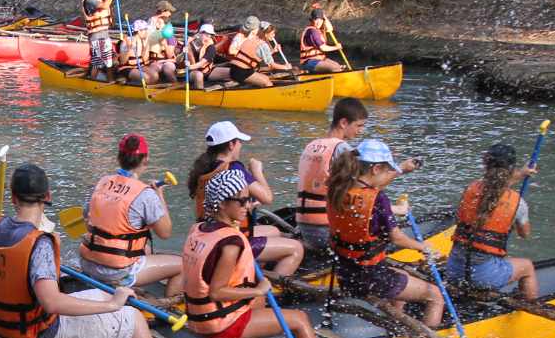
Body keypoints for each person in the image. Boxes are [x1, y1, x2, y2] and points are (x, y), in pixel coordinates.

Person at [0, 164, 162, 338]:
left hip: (5, 334)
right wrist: (112, 305)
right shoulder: (39, 243)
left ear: (13, 197)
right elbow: (51, 303)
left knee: (103, 294)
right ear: (47, 196)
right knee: (133, 317)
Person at [182, 167, 321, 338]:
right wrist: (258, 290)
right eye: (242, 201)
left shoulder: (198, 229)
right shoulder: (231, 243)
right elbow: (217, 292)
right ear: (222, 204)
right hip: (219, 324)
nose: (247, 206)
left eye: (249, 200)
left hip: (197, 315)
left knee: (259, 301)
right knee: (300, 319)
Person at [325, 139, 445, 326]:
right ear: (376, 169)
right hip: (370, 276)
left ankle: (395, 329)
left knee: (403, 279)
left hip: (345, 272)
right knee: (435, 295)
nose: (390, 173)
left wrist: (400, 170)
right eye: (388, 169)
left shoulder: (338, 188)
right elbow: (397, 238)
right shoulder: (378, 199)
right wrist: (424, 247)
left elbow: (369, 192)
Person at [295, 98, 421, 253]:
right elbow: (365, 191)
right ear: (343, 123)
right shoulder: (343, 150)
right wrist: (401, 169)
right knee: (380, 231)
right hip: (326, 231)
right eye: (358, 125)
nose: (361, 130)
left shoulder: (312, 145)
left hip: (304, 227)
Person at [186, 120, 304, 276]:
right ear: (231, 145)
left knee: (274, 230)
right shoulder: (234, 169)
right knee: (296, 248)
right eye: (239, 141)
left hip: (210, 234)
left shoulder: (203, 168)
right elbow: (267, 198)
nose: (241, 145)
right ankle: (271, 289)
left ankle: (254, 270)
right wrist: (257, 171)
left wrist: (245, 203)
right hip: (232, 239)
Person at [79, 134, 183, 295]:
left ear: (118, 157)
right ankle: (166, 308)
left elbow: (88, 221)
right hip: (117, 272)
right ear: (145, 160)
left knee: (145, 249)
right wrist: (159, 195)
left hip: (87, 262)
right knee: (184, 265)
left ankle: (130, 290)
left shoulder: (101, 183)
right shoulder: (146, 194)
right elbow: (165, 232)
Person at [445, 142, 538, 300]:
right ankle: (531, 307)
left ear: (485, 165)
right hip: (482, 277)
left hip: (453, 269)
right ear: (510, 169)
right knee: (527, 266)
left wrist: (521, 173)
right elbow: (525, 234)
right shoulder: (517, 203)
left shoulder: (470, 188)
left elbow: (492, 189)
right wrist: (511, 222)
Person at [82, 0, 122, 79]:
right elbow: (104, 6)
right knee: (98, 62)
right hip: (95, 35)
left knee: (109, 61)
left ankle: (110, 80)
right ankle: (92, 81)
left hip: (104, 33)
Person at [222, 16, 274, 87]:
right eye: (257, 28)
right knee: (267, 76)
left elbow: (262, 54)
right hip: (239, 67)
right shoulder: (240, 37)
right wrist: (243, 51)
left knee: (268, 71)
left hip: (250, 67)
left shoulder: (254, 37)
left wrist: (273, 50)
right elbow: (231, 51)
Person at [299, 5, 344, 74]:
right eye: (316, 20)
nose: (318, 22)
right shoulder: (312, 31)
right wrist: (336, 47)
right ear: (312, 20)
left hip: (319, 59)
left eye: (320, 20)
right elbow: (323, 48)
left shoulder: (319, 29)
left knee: (339, 66)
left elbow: (330, 28)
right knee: (336, 68)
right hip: (309, 62)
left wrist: (324, 16)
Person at [184, 22, 221, 87]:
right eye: (206, 35)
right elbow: (178, 59)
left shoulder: (211, 47)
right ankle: (198, 93)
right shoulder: (189, 43)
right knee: (199, 75)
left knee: (231, 73)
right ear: (200, 34)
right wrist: (185, 49)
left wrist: (189, 67)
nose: (208, 37)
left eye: (210, 35)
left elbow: (201, 64)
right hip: (192, 72)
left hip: (206, 72)